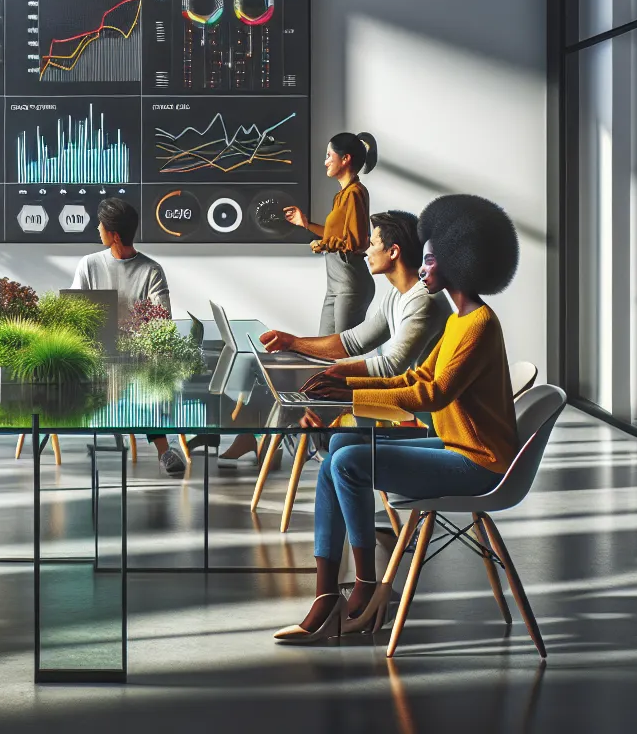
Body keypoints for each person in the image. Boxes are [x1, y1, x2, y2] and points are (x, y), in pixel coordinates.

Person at [272, 194, 521, 644]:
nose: (423, 268)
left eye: (429, 261)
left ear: (458, 263)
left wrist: (348, 391)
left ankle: (366, 587)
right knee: (342, 450)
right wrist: (347, 388)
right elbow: (422, 374)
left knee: (347, 461)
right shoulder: (461, 320)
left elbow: (431, 393)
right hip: (457, 447)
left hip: (479, 462)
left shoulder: (479, 324)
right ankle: (326, 594)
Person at [221, 210, 447, 467]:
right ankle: (303, 445)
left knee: (312, 406)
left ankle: (309, 448)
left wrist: (334, 375)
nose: (365, 251)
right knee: (302, 397)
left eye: (372, 245)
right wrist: (292, 342)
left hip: (425, 415)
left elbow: (390, 366)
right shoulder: (398, 295)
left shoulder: (423, 300)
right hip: (405, 400)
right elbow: (353, 342)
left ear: (393, 252)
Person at [71, 197, 196, 476]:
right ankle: (164, 448)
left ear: (114, 235)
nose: (97, 228)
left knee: (150, 375)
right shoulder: (89, 265)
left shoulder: (151, 270)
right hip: (95, 355)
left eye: (101, 225)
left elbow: (161, 322)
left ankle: (165, 451)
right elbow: (74, 316)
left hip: (136, 356)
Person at [283, 131, 378, 335]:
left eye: (329, 156)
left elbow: (357, 241)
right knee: (323, 347)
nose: (325, 162)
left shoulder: (355, 193)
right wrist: (306, 224)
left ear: (345, 159)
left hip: (350, 283)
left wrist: (324, 245)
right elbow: (337, 235)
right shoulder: (341, 195)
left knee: (342, 353)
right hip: (335, 284)